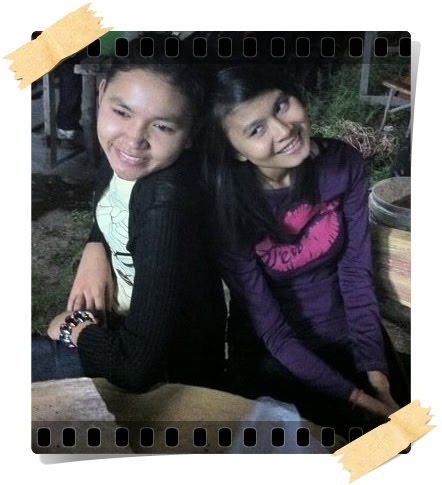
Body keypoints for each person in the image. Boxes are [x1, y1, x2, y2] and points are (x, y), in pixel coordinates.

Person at [203, 64, 410, 437]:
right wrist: (360, 399)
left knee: (407, 435)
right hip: (276, 351)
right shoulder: (228, 210)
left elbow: (356, 276)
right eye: (256, 129)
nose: (284, 130)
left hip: (347, 331)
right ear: (236, 152)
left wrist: (377, 375)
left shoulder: (341, 165)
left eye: (281, 105)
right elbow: (273, 332)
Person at [32, 40, 227, 393]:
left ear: (191, 134)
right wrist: (95, 247)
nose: (134, 139)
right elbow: (114, 205)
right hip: (120, 331)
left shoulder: (165, 204)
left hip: (165, 376)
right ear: (101, 92)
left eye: (162, 127)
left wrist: (73, 327)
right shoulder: (128, 161)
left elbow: (136, 369)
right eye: (122, 113)